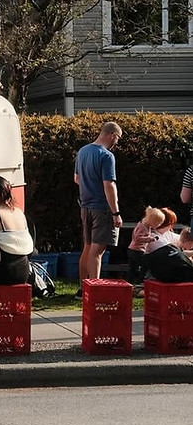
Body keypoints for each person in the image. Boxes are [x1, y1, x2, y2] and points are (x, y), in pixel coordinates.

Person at [74, 121, 122, 297]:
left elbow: (76, 178)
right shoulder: (106, 156)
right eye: (118, 139)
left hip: (85, 206)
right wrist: (115, 212)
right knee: (97, 251)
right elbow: (109, 185)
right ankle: (95, 290)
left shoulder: (83, 151)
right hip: (102, 207)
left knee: (87, 248)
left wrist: (89, 187)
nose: (117, 143)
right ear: (113, 135)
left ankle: (82, 288)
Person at [128, 206, 165, 287]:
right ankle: (139, 281)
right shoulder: (142, 227)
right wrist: (150, 239)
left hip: (135, 249)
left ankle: (131, 282)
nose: (159, 226)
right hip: (136, 250)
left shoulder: (146, 226)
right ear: (153, 221)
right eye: (158, 223)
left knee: (133, 267)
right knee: (145, 264)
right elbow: (137, 238)